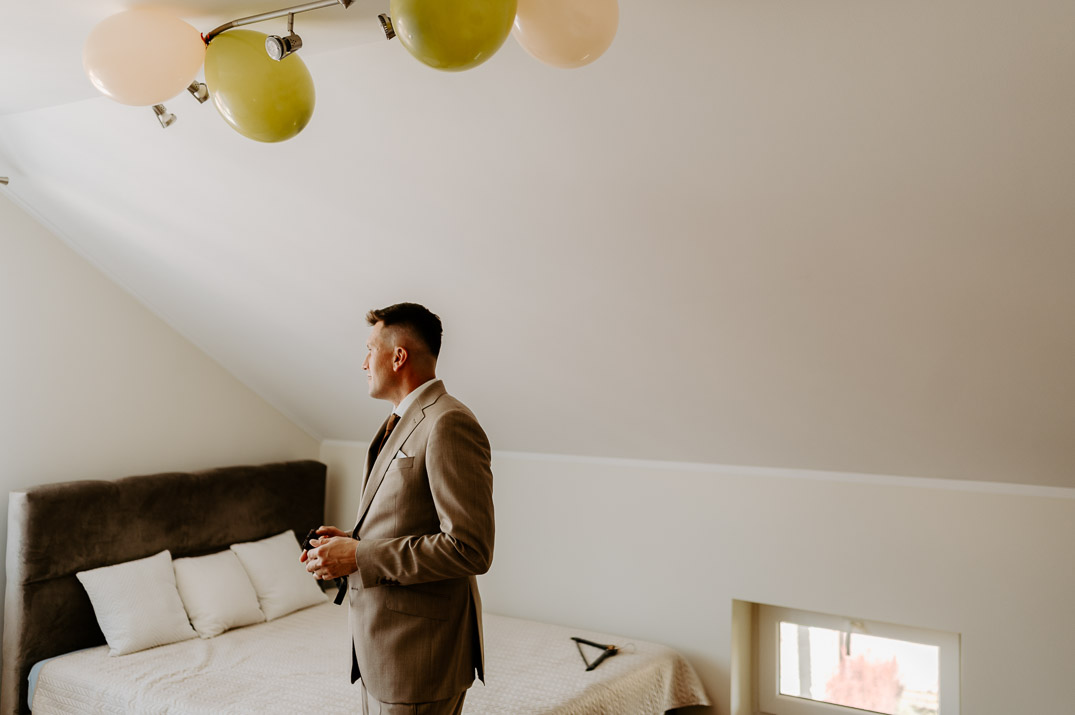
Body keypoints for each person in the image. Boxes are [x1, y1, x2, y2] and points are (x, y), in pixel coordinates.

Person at [302, 302, 494, 715]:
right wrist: (350, 542)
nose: (363, 363)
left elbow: (469, 548)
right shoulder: (401, 421)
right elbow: (408, 517)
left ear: (398, 356)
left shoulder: (448, 423)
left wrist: (359, 555)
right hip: (382, 653)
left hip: (419, 657)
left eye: (369, 350)